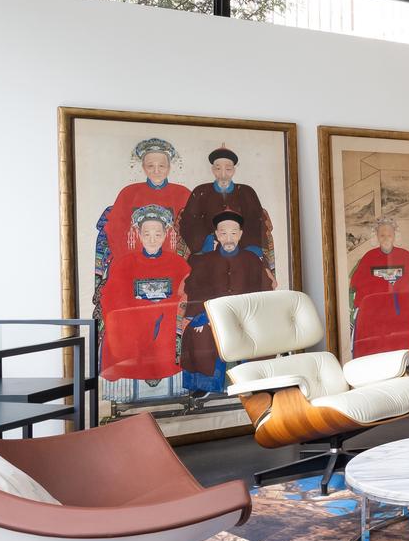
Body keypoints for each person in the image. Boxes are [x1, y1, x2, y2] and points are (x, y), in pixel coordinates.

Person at [92, 137, 190, 328]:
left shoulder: (183, 194)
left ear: (169, 166)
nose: (156, 170)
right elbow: (115, 230)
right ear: (143, 167)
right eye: (150, 165)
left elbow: (191, 231)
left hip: (173, 266)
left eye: (162, 165)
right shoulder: (129, 193)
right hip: (134, 265)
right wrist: (131, 262)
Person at [177, 211, 276, 396]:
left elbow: (265, 289)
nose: (228, 238)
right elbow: (196, 291)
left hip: (248, 313)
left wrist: (255, 312)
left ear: (240, 234)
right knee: (200, 334)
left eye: (233, 233)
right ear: (216, 235)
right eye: (223, 233)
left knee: (262, 334)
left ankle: (256, 380)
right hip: (213, 315)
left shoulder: (252, 260)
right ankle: (204, 385)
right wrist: (203, 317)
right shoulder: (203, 262)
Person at [98, 205, 191, 382]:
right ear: (139, 235)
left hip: (167, 315)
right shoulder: (124, 263)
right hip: (135, 315)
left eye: (157, 234)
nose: (152, 239)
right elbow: (111, 295)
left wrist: (168, 307)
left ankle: (164, 368)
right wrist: (136, 309)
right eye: (147, 234)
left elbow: (188, 290)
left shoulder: (178, 263)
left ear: (165, 235)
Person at [179, 145, 274, 260]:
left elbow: (255, 220)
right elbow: (189, 221)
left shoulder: (247, 192)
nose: (223, 174)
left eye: (228, 169)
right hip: (209, 249)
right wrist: (206, 242)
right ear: (213, 170)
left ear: (234, 170)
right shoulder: (200, 191)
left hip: (243, 247)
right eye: (218, 169)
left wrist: (250, 247)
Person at [348, 218, 409, 358]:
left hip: (400, 309)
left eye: (389, 235)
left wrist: (399, 285)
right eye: (382, 235)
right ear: (377, 237)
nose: (386, 238)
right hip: (375, 311)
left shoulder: (405, 255)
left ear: (394, 236)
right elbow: (357, 282)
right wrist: (380, 285)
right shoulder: (369, 257)